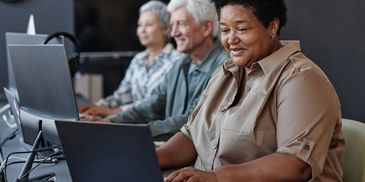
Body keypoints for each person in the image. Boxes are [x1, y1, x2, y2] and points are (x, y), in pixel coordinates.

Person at [157, 0, 345, 181]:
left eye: (241, 29)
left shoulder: (301, 79)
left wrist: (215, 177)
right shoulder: (225, 73)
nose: (231, 39)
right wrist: (150, 158)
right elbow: (192, 135)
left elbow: (297, 164)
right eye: (224, 30)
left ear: (272, 26)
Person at [87, 0, 228, 138]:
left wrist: (129, 131)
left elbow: (191, 119)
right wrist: (111, 121)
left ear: (206, 28)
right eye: (172, 25)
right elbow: (151, 105)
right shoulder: (180, 64)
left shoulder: (224, 66)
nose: (173, 33)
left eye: (181, 24)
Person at [79, 1, 182, 116]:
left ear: (166, 29)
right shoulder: (138, 59)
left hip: (155, 127)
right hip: (129, 121)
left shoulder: (177, 60)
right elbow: (123, 95)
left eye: (148, 25)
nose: (142, 30)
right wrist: (97, 106)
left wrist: (111, 112)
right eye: (139, 25)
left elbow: (154, 105)